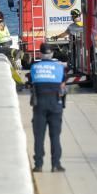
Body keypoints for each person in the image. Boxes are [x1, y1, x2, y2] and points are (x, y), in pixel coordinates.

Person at [29, 43, 66, 173]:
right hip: (55, 102)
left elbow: (31, 82)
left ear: (40, 54)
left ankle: (38, 165)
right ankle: (56, 164)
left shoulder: (34, 67)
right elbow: (62, 85)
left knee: (39, 136)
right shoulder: (59, 68)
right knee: (55, 136)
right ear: (52, 54)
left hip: (39, 103)